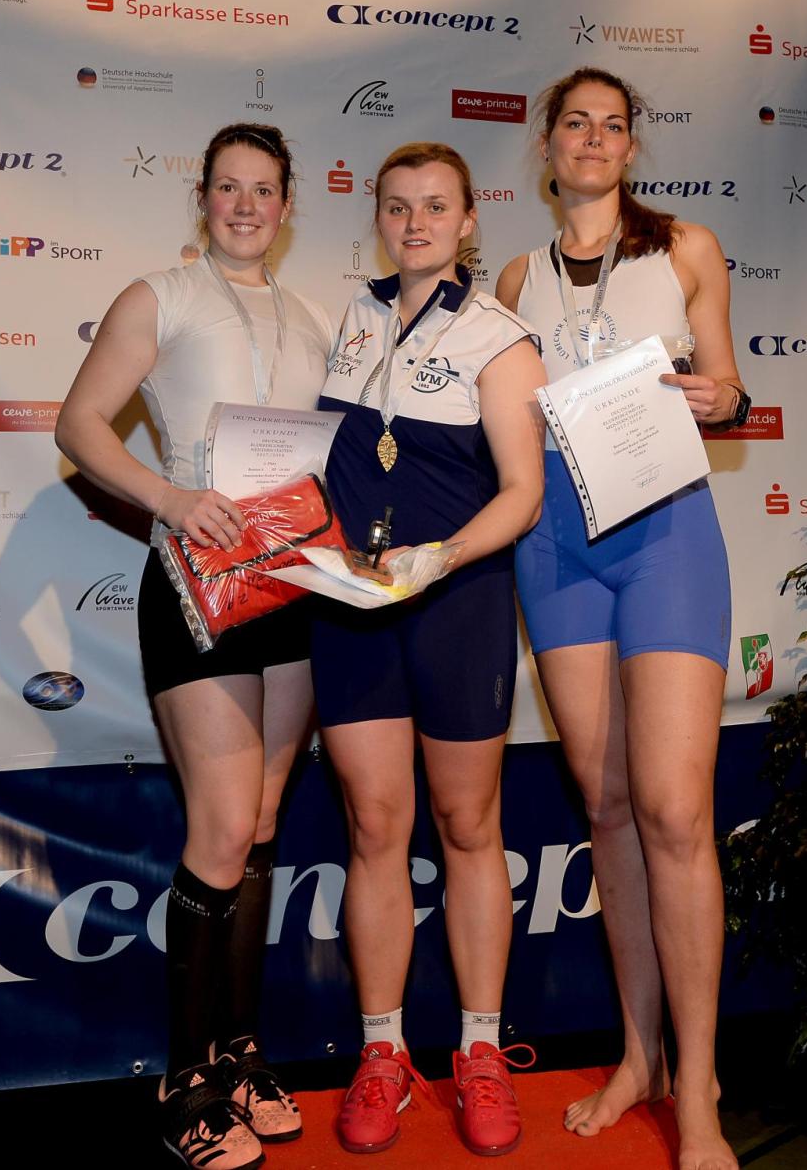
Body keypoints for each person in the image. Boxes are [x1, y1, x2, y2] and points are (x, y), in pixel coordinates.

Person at [55, 123, 334, 1170]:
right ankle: (184, 1079)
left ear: (287, 205)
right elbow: (80, 424)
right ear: (203, 198)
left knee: (258, 823)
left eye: (263, 190)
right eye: (228, 187)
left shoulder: (311, 318)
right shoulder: (159, 297)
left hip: (295, 584)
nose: (245, 205)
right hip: (195, 581)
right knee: (219, 828)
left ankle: (239, 1051)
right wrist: (170, 498)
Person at [496, 67, 749, 1170]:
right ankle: (639, 1054)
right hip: (556, 544)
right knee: (605, 807)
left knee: (673, 811)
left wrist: (722, 397)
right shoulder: (515, 277)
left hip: (664, 533)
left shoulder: (684, 248)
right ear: (547, 146)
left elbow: (729, 384)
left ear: (631, 147)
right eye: (575, 124)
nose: (593, 140)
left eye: (612, 126)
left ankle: (698, 1087)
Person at [312, 143, 546, 1157]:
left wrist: (440, 556)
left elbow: (523, 492)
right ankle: (381, 1052)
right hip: (351, 603)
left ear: (467, 221)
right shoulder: (345, 319)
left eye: (435, 207)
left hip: (457, 601)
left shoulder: (500, 336)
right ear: (378, 218)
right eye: (398, 206)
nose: (415, 223)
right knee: (373, 823)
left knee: (465, 821)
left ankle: (481, 1050)